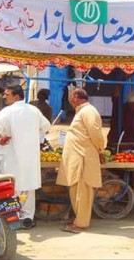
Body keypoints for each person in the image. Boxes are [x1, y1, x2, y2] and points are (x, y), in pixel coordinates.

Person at [0, 85, 51, 229]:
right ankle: (27, 217)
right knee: (28, 186)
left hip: (11, 154)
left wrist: (0, 136)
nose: (4, 97)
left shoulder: (8, 111)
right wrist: (38, 139)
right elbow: (46, 126)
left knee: (9, 185)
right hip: (29, 156)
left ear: (16, 97)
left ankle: (12, 217)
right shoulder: (34, 111)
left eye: (7, 94)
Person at [56, 88, 105, 233]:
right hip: (78, 158)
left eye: (71, 96)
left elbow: (95, 134)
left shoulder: (88, 111)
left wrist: (101, 150)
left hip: (84, 158)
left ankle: (82, 223)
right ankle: (79, 219)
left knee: (83, 192)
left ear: (76, 97)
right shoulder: (83, 111)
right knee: (76, 190)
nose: (70, 100)